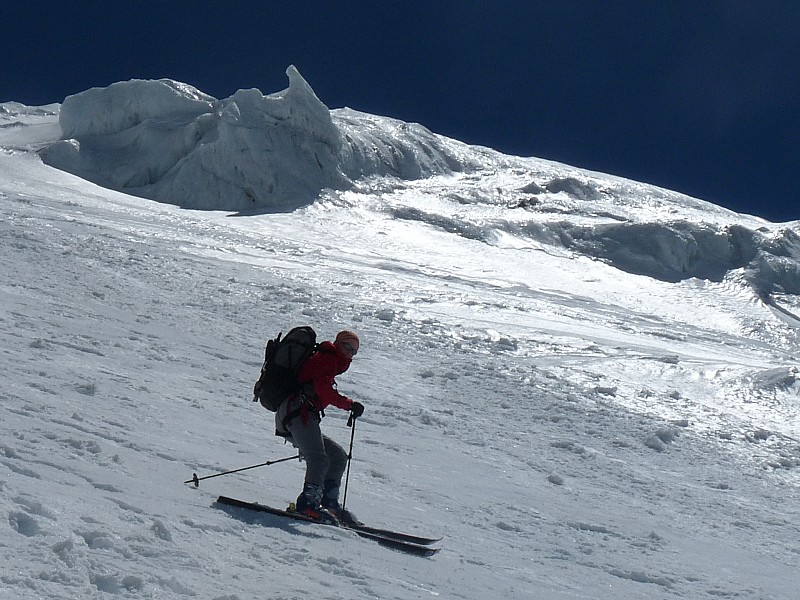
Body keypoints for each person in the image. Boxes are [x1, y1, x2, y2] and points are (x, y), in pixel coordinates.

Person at [275, 330, 365, 524]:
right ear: (337, 344)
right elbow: (322, 389)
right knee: (319, 458)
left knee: (337, 455)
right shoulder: (328, 358)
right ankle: (308, 504)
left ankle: (328, 500)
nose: (349, 353)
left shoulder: (329, 360)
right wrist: (349, 404)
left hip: (296, 414)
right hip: (298, 412)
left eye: (354, 351)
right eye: (347, 347)